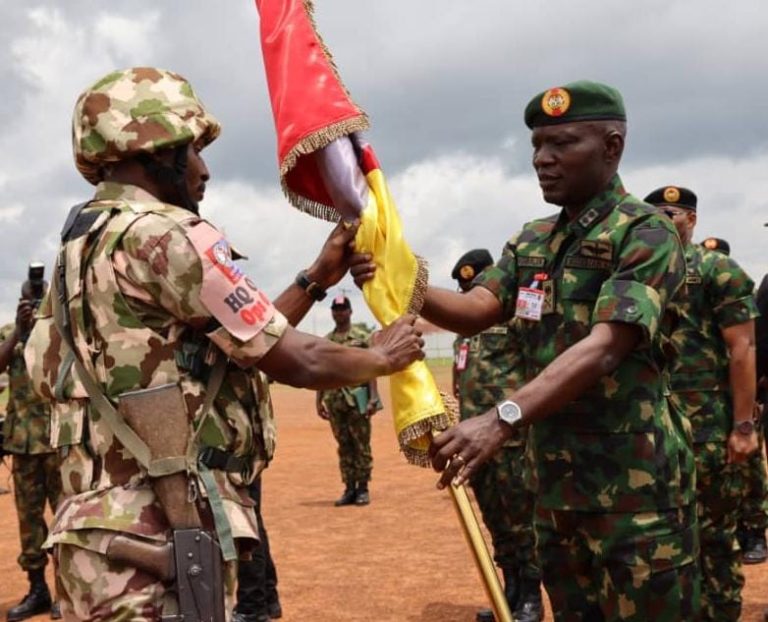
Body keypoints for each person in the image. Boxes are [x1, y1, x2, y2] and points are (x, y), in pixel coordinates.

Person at [23, 66, 424, 622]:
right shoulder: (166, 234)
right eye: (191, 151)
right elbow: (294, 358)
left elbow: (226, 349)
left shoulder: (77, 251)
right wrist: (382, 357)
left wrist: (313, 280)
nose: (203, 170)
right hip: (161, 532)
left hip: (95, 531)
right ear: (154, 148)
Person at [352, 80, 698, 620]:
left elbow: (606, 345)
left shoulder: (647, 233)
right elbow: (478, 308)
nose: (543, 159)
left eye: (562, 143)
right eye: (537, 144)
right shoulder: (532, 240)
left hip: (636, 491)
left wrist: (502, 417)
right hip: (556, 487)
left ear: (612, 147)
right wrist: (400, 273)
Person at [646, 187, 759, 621]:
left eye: (669, 213)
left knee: (713, 535)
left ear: (691, 219)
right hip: (650, 428)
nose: (659, 219)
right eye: (651, 213)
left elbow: (743, 348)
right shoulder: (639, 270)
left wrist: (744, 426)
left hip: (708, 428)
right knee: (660, 538)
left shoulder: (717, 270)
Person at [450, 249, 541, 621]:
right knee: (496, 518)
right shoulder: (464, 331)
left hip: (512, 437)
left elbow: (540, 367)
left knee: (523, 518)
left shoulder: (520, 315)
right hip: (475, 441)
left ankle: (533, 598)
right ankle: (510, 592)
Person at [0, 277, 63, 621]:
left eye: (40, 297)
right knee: (29, 523)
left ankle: (66, 593)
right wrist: (17, 332)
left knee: (66, 519)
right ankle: (38, 590)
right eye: (30, 298)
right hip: (23, 443)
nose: (35, 302)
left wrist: (44, 327)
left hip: (58, 440)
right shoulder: (12, 331)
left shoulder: (60, 329)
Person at [316, 295, 381, 506]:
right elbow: (321, 373)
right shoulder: (327, 341)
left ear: (350, 312)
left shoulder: (362, 337)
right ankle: (349, 488)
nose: (339, 313)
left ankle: (363, 488)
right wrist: (319, 401)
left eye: (343, 309)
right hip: (335, 400)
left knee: (361, 444)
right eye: (336, 309)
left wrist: (373, 396)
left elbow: (371, 368)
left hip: (357, 399)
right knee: (344, 445)